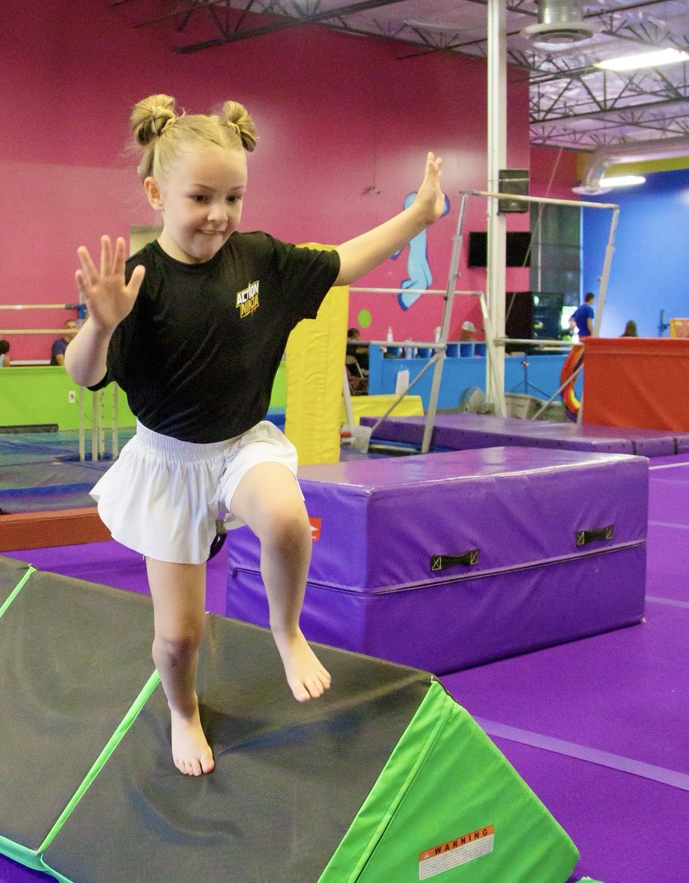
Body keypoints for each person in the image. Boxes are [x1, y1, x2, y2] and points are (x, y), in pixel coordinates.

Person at [66, 94, 445, 776]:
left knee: (288, 520)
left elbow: (342, 261)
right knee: (180, 637)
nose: (219, 214)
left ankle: (286, 627)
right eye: (201, 197)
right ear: (156, 192)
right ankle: (183, 707)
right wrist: (99, 323)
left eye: (234, 197)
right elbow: (85, 374)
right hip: (170, 464)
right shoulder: (140, 284)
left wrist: (417, 216)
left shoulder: (261, 259)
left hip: (242, 444)